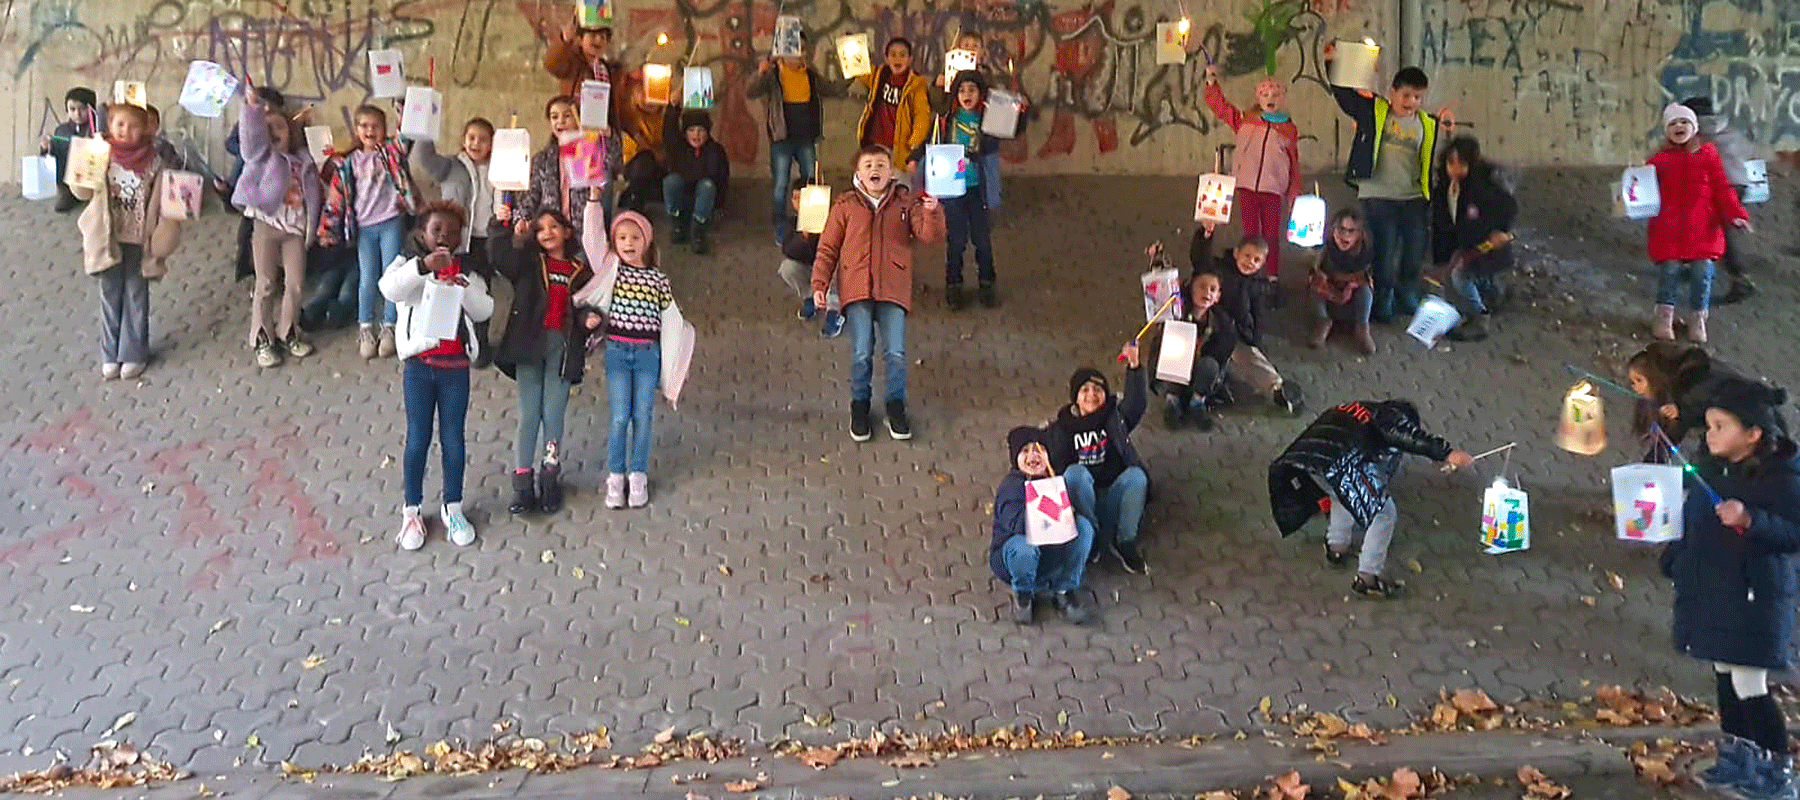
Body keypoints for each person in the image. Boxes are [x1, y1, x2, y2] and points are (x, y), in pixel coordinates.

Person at [1661, 378, 1799, 800]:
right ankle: (1739, 757)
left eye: (1721, 426)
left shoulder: (1781, 477)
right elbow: (1695, 519)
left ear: (1754, 434)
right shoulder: (1710, 466)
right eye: (1708, 425)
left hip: (1753, 598)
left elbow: (1793, 533)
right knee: (1725, 678)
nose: (1710, 434)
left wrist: (1750, 521)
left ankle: (1775, 772)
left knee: (1749, 685)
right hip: (1715, 590)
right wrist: (1675, 558)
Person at [1268, 400, 1473, 598]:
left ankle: (1336, 547)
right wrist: (1447, 453)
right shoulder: (1390, 416)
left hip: (1306, 461)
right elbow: (1405, 435)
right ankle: (1367, 577)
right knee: (1383, 513)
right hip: (1341, 460)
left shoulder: (1352, 408)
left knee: (1340, 493)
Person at [378, 201, 493, 550]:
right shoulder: (408, 264)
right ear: (421, 234)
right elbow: (390, 289)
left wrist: (463, 288)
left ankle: (452, 507)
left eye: (451, 232)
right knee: (417, 440)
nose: (443, 237)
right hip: (419, 368)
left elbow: (485, 308)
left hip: (455, 369)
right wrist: (422, 268)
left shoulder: (468, 270)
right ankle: (411, 511)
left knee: (454, 439)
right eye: (436, 230)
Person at [811, 145, 945, 442]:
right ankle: (860, 406)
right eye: (868, 164)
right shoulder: (844, 206)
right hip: (856, 289)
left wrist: (933, 213)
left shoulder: (905, 203)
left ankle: (895, 407)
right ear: (858, 173)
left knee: (895, 353)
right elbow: (827, 250)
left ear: (891, 173)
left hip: (893, 287)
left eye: (882, 165)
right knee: (861, 353)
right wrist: (819, 285)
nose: (875, 170)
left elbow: (928, 235)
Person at [570, 211, 695, 510]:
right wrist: (593, 200)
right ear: (613, 242)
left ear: (646, 242)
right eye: (622, 238)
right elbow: (591, 237)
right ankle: (615, 476)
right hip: (617, 352)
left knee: (643, 417)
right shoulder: (611, 271)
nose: (628, 243)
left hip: (647, 355)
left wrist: (678, 365)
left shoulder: (659, 280)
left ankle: (637, 475)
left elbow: (672, 323)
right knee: (619, 417)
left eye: (635, 237)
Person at [488, 197, 604, 516]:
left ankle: (550, 477)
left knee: (553, 414)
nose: (547, 232)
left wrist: (589, 319)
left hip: (563, 351)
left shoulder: (581, 271)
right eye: (540, 229)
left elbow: (587, 306)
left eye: (554, 226)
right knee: (529, 414)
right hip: (529, 346)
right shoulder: (527, 261)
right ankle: (523, 484)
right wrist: (503, 228)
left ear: (568, 232)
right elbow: (502, 259)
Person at [1325, 45, 1452, 323]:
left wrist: (1448, 132)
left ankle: (1406, 293)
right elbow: (1344, 96)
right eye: (1406, 94)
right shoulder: (1375, 110)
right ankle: (1383, 299)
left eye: (1417, 96)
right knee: (1384, 250)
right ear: (1393, 92)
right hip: (1378, 195)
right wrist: (1333, 63)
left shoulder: (1427, 123)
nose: (1411, 101)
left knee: (1414, 249)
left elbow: (1433, 159)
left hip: (1413, 197)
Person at [71, 103, 184, 380]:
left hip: (139, 239)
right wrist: (85, 158)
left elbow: (171, 202)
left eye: (134, 126)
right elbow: (80, 192)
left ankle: (133, 353)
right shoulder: (102, 153)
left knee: (136, 294)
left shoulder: (156, 160)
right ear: (110, 125)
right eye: (120, 124)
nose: (126, 131)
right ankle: (110, 354)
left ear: (145, 128)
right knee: (110, 295)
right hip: (107, 236)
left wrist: (169, 225)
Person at [316, 104, 418, 360]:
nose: (369, 131)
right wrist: (327, 228)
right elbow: (336, 199)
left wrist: (403, 106)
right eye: (364, 126)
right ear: (356, 129)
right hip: (364, 227)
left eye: (375, 126)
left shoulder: (391, 154)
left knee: (391, 276)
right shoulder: (347, 163)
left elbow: (406, 134)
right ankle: (365, 327)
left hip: (391, 222)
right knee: (367, 277)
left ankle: (390, 327)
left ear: (384, 130)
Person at [1645, 102, 1750, 343]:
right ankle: (1663, 317)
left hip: (1703, 228)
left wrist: (1736, 214)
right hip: (1668, 228)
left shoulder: (1709, 155)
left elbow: (1722, 188)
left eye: (1684, 122)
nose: (1679, 126)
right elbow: (1644, 188)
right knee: (1669, 272)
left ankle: (1698, 319)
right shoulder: (1658, 160)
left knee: (1703, 274)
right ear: (1666, 130)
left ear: (1694, 127)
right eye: (1673, 123)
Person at [232, 83, 321, 368]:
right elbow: (250, 140)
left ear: (291, 132)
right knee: (266, 284)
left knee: (295, 284)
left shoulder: (304, 161)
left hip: (294, 231)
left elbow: (313, 196)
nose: (274, 135)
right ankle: (262, 338)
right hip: (266, 227)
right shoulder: (261, 157)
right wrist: (252, 107)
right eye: (268, 130)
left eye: (280, 129)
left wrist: (312, 227)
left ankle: (288, 332)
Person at [1203, 64, 1300, 296]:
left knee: (1271, 236)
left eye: (1275, 95)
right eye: (1265, 94)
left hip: (1272, 190)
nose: (1270, 98)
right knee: (1250, 234)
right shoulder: (1245, 120)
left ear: (1283, 98)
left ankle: (1272, 278)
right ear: (1258, 97)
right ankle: (1250, 276)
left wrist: (1294, 194)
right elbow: (1221, 107)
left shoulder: (1288, 129)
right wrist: (1211, 83)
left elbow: (1294, 165)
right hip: (1246, 187)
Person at [1051, 353, 1150, 573]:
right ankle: (1091, 538)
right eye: (1084, 390)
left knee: (1137, 476)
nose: (1091, 395)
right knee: (1074, 473)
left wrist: (1134, 366)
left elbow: (1137, 403)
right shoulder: (1062, 427)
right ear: (1075, 398)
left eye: (1098, 390)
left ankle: (1125, 542)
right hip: (1084, 503)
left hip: (1113, 495)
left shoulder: (1115, 417)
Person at [411, 117, 498, 367]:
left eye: (483, 139)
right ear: (463, 140)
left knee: (481, 292)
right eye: (471, 137)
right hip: (458, 241)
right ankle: (450, 341)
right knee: (451, 288)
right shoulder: (451, 166)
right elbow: (424, 158)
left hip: (487, 240)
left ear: (492, 144)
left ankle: (480, 342)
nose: (476, 143)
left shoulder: (499, 167)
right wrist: (425, 124)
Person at [1191, 227, 1304, 415]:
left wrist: (1256, 339)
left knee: (1248, 355)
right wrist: (1205, 235)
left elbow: (1258, 314)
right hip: (1210, 322)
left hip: (1233, 333)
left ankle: (1277, 389)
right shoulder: (1221, 269)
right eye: (1247, 255)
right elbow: (1200, 261)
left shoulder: (1257, 285)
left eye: (1257, 260)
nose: (1250, 262)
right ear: (1236, 253)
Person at [914, 70, 1002, 310]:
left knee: (982, 240)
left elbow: (1013, 126)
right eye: (962, 90)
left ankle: (987, 283)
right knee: (956, 240)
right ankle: (953, 285)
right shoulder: (947, 119)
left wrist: (1021, 107)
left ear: (981, 94)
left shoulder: (988, 119)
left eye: (972, 90)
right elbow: (929, 140)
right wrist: (915, 156)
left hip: (978, 189)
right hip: (952, 187)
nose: (967, 95)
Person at [991, 426, 1096, 625]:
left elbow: (1065, 524)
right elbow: (1017, 524)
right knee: (1024, 547)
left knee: (1083, 527)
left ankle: (1064, 589)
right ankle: (1023, 595)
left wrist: (1069, 515)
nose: (1033, 456)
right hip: (1015, 555)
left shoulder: (1054, 481)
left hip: (1050, 556)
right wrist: (1053, 514)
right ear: (1015, 458)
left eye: (1040, 450)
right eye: (1025, 451)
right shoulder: (1011, 486)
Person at [747, 35, 835, 243]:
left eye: (802, 49)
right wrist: (760, 74)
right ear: (782, 52)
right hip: (782, 138)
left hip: (806, 138)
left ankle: (811, 223)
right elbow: (751, 92)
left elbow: (832, 89)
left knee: (810, 181)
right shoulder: (774, 73)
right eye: (792, 49)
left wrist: (852, 73)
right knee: (781, 184)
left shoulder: (810, 74)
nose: (798, 54)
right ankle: (780, 225)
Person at [1430, 136, 1516, 342]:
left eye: (1462, 164)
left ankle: (1478, 318)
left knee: (1460, 276)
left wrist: (1499, 231)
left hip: (1487, 246)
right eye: (1451, 163)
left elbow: (1509, 207)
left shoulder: (1484, 187)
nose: (1455, 169)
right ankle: (1495, 293)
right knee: (1456, 275)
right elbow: (1441, 225)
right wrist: (1442, 260)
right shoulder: (1444, 188)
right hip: (1466, 244)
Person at [1683, 97, 1758, 304]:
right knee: (1714, 228)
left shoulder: (1697, 135)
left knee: (1719, 233)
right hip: (1739, 184)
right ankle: (1693, 264)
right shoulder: (1732, 131)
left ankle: (1740, 278)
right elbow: (1749, 152)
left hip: (1716, 186)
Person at [1149, 268, 1236, 431]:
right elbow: (1158, 293)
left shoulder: (1222, 323)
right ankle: (1172, 400)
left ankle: (1197, 402)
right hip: (1172, 371)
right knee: (1177, 344)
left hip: (1200, 371)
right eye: (1202, 287)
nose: (1207, 293)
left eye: (1212, 289)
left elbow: (1222, 355)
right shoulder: (1176, 313)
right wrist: (1157, 264)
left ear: (1218, 296)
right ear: (1191, 290)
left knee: (1210, 364)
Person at [1627, 342, 1749, 458]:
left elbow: (1704, 411)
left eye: (1639, 380)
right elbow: (1670, 437)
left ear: (1654, 377)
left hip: (1742, 417)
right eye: (1633, 382)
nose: (1635, 387)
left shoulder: (1692, 390)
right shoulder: (1676, 392)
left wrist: (1683, 411)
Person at [521, 95, 606, 245]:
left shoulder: (588, 152)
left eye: (567, 116)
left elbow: (612, 164)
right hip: (551, 235)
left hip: (583, 232)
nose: (560, 121)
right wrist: (522, 218)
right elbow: (532, 194)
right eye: (554, 117)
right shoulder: (543, 158)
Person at [854, 38, 932, 179]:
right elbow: (858, 67)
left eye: (902, 55)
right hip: (874, 142)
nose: (898, 59)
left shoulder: (916, 84)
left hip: (898, 148)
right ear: (886, 58)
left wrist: (914, 144)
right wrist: (852, 47)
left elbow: (922, 115)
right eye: (893, 55)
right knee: (870, 181)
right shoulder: (878, 75)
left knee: (898, 186)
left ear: (910, 60)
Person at [1308, 207, 1376, 353]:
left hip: (1351, 301)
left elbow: (1364, 277)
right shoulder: (1326, 248)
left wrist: (1345, 280)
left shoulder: (1364, 251)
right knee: (1315, 286)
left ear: (1360, 234)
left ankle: (1362, 328)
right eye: (1341, 229)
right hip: (1329, 299)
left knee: (1365, 291)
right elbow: (1315, 270)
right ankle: (1322, 322)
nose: (1345, 235)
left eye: (1351, 231)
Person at [777, 187, 843, 337]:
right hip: (808, 265)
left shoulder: (833, 217)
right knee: (787, 268)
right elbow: (788, 250)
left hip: (830, 268)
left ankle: (834, 311)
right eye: (795, 198)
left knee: (836, 269)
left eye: (802, 197)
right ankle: (809, 297)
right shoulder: (792, 222)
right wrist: (805, 236)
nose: (798, 202)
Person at [663, 109, 730, 255]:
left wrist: (719, 205)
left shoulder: (715, 150)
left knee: (707, 185)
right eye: (691, 130)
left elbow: (721, 180)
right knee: (671, 181)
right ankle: (677, 225)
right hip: (683, 199)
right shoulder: (678, 147)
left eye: (700, 130)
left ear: (707, 132)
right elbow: (668, 132)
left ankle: (698, 232)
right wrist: (673, 108)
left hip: (703, 203)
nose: (696, 135)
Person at [42, 86, 98, 212]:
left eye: (82, 109)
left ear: (91, 109)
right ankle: (66, 194)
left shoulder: (98, 128)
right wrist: (46, 148)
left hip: (89, 175)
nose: (77, 114)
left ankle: (93, 199)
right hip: (68, 177)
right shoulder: (62, 130)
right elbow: (53, 155)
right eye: (72, 109)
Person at [617, 80, 669, 216]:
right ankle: (635, 202)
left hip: (659, 167)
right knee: (644, 160)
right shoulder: (628, 116)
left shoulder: (665, 117)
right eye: (644, 94)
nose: (649, 100)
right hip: (635, 164)